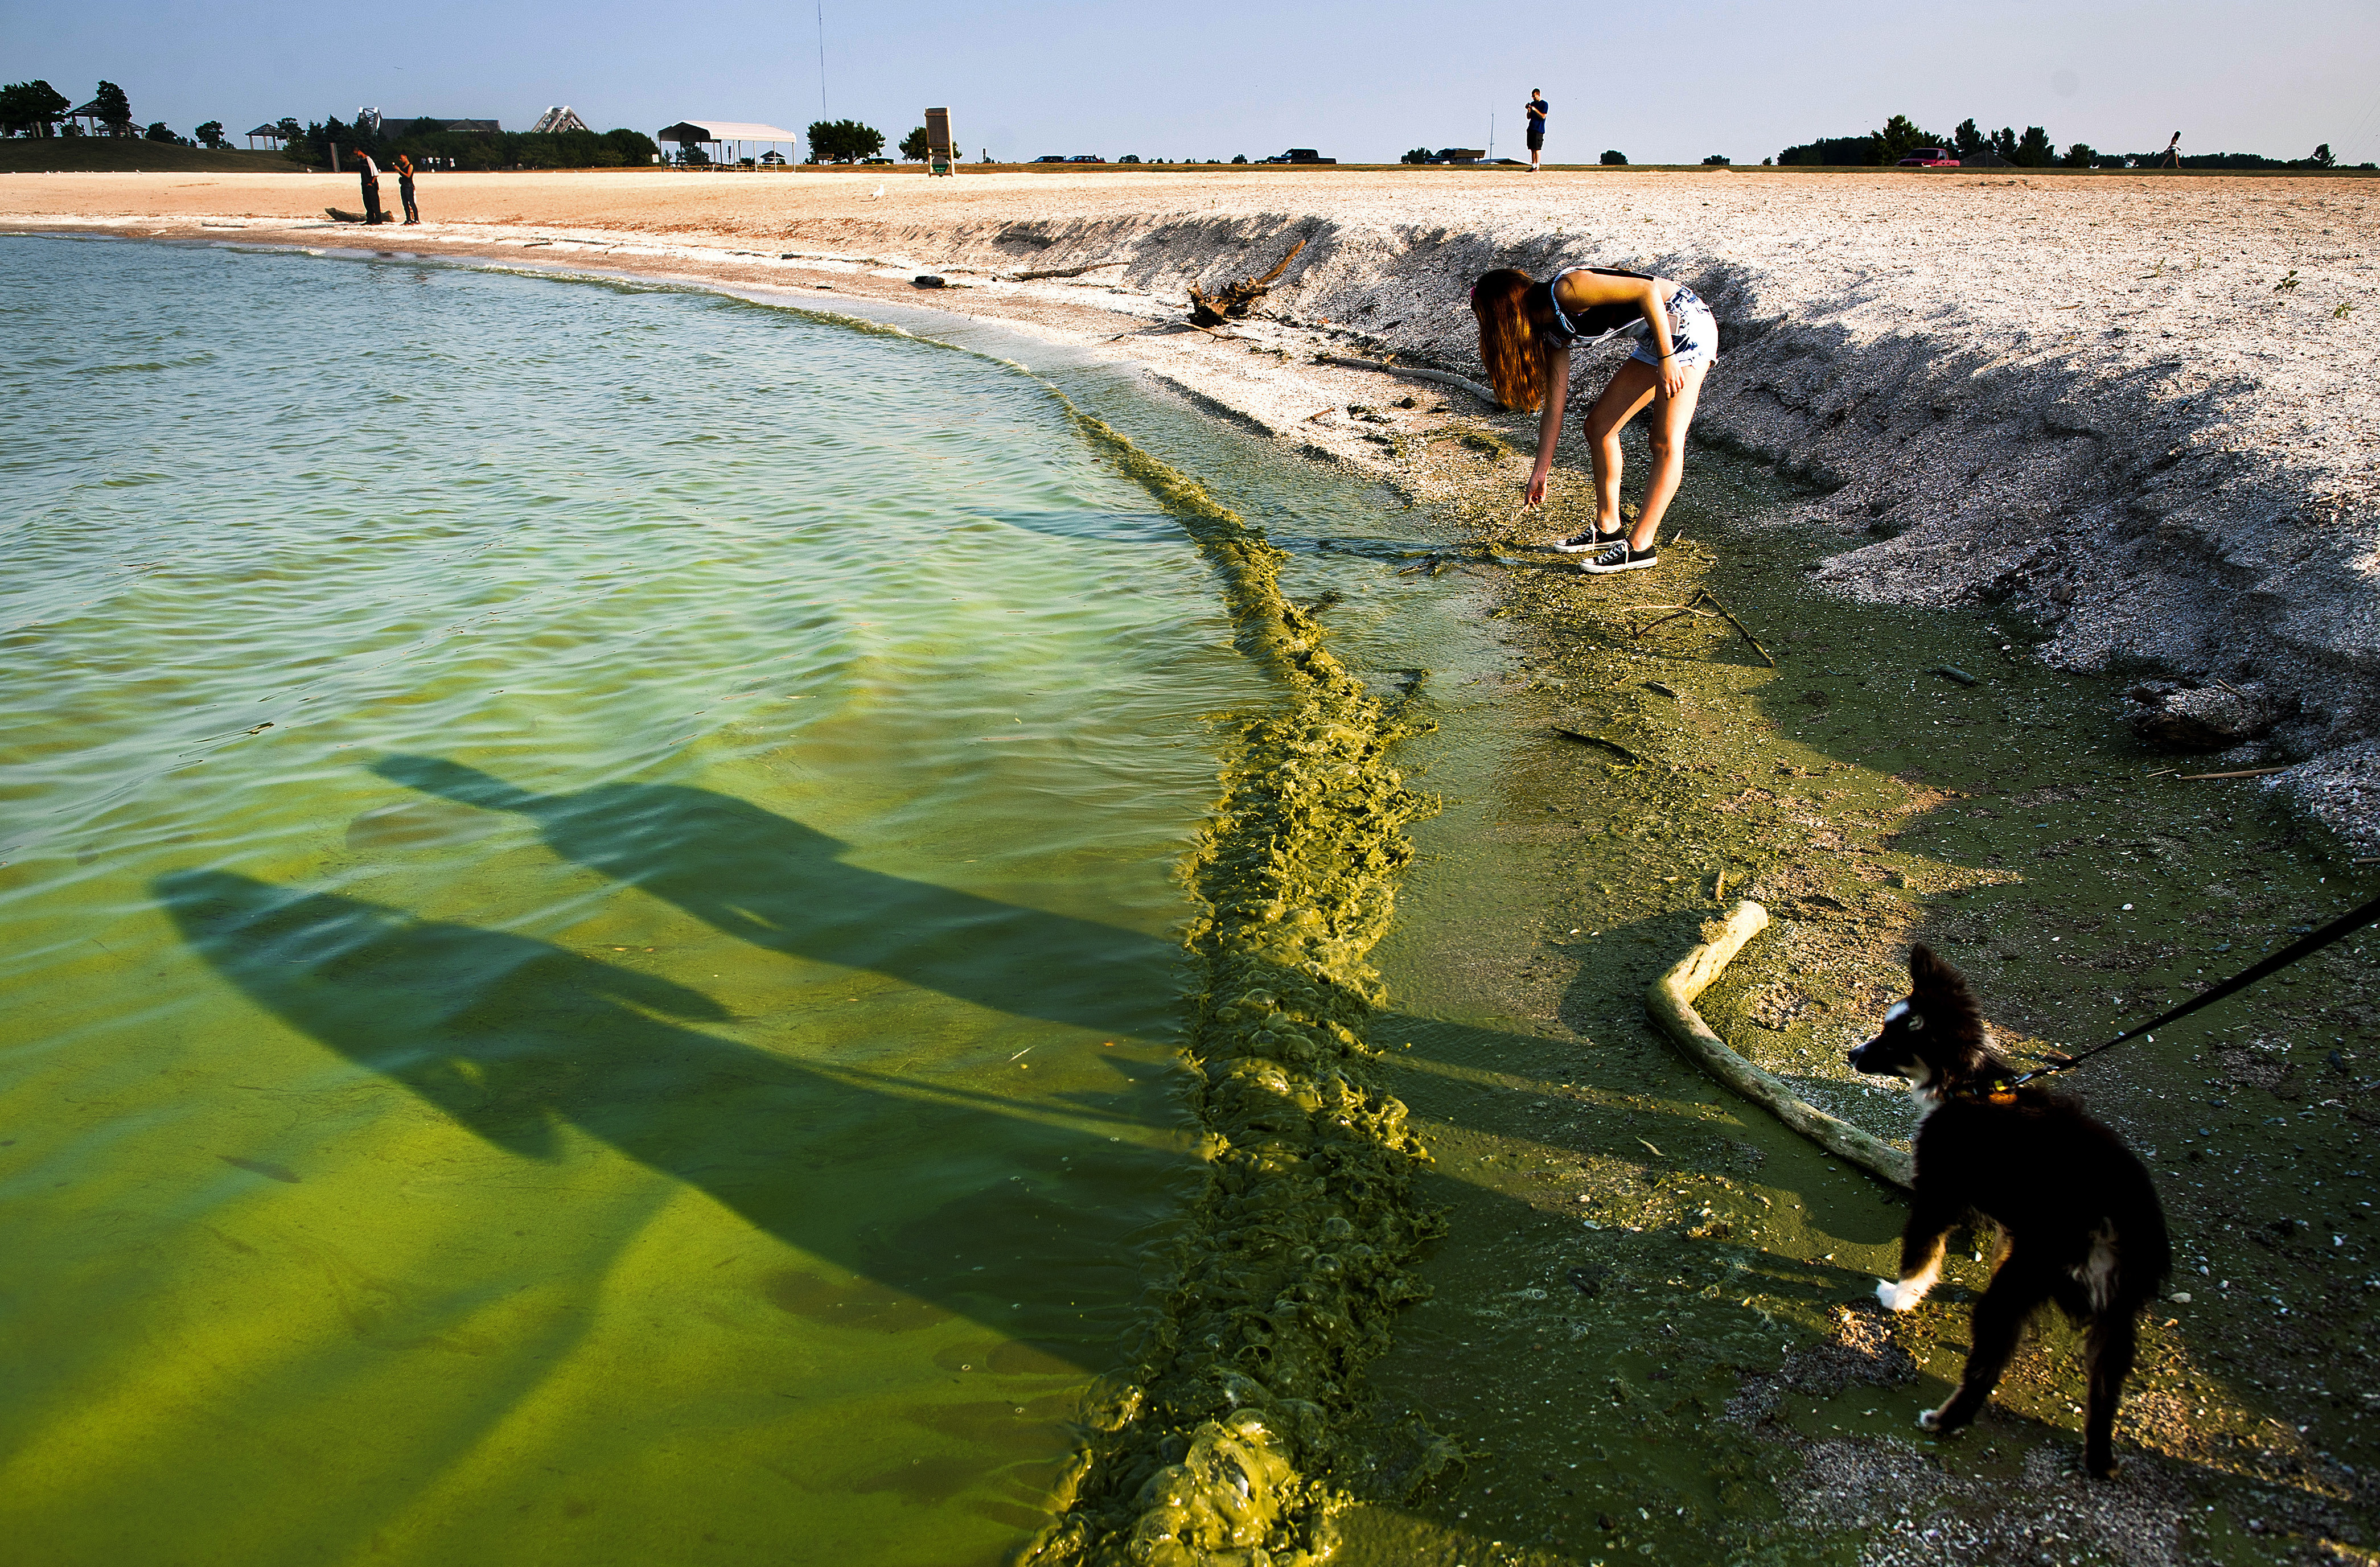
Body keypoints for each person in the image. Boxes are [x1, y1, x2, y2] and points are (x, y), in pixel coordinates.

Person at [1469, 265, 1720, 574]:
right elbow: (1555, 407)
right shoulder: (1552, 330)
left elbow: (1647, 291)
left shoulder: (1568, 291)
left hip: (1687, 328)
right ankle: (1608, 527)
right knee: (1599, 428)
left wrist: (1667, 359)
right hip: (1656, 339)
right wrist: (1540, 471)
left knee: (1665, 441)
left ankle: (1641, 546)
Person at [353, 147, 386, 224]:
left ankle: (378, 219)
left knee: (374, 203)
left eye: (356, 154)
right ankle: (370, 219)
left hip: (371, 185)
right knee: (367, 203)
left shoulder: (369, 160)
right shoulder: (361, 161)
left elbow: (375, 173)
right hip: (364, 184)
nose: (356, 156)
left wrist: (371, 183)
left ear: (360, 152)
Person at [1525, 90, 1549, 171]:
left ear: (1538, 95)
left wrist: (1535, 110)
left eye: (1534, 96)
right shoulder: (1533, 104)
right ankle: (1533, 165)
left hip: (1539, 129)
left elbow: (1543, 116)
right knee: (1532, 148)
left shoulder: (1544, 104)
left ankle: (1538, 166)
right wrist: (1529, 110)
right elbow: (1528, 117)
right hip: (1531, 128)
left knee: (1537, 148)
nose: (1533, 98)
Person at [394, 152, 420, 224]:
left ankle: (416, 219)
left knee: (411, 203)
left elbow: (408, 175)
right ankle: (409, 219)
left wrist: (399, 170)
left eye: (401, 158)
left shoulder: (410, 166)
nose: (400, 160)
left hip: (409, 186)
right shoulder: (403, 166)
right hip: (404, 186)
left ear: (405, 157)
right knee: (405, 203)